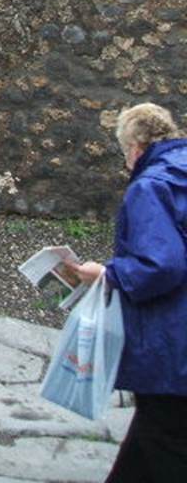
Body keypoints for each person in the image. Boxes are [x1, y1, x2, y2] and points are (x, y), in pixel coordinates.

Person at [67, 102, 187, 483]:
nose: (126, 164)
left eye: (124, 155)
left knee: (162, 437)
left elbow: (162, 264)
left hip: (173, 343)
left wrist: (107, 272)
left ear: (135, 146)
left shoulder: (150, 186)